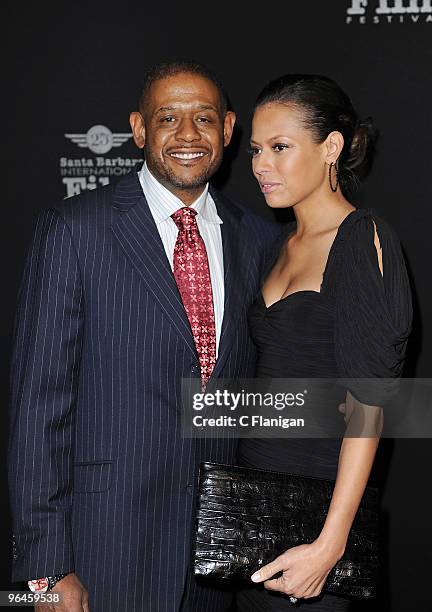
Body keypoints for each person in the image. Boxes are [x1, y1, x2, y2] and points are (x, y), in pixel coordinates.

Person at [7, 60, 280, 612]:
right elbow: (37, 410)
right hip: (104, 548)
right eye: (167, 118)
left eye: (203, 119)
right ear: (138, 129)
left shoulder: (257, 238)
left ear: (228, 130)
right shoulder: (75, 229)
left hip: (215, 561)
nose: (187, 135)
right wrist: (44, 571)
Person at [236, 74, 412, 610]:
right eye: (256, 150)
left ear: (331, 147)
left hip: (319, 525)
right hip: (249, 514)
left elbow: (369, 406)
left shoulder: (364, 239)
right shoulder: (275, 245)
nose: (261, 164)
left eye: (280, 147)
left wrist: (331, 543)